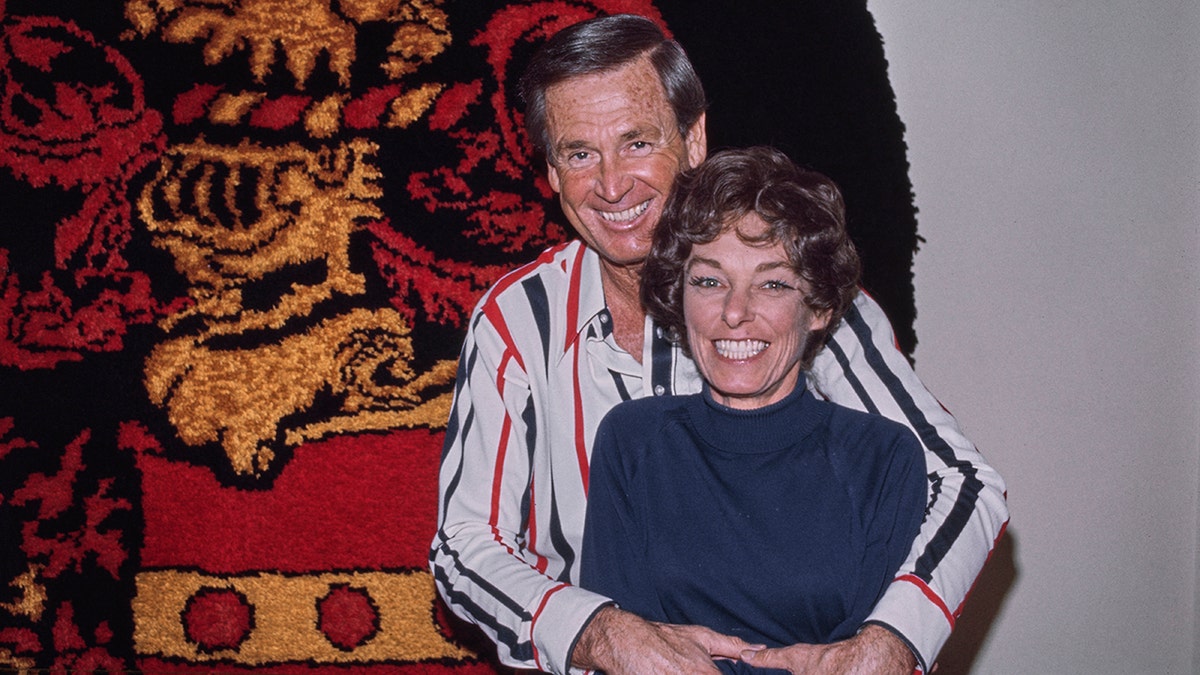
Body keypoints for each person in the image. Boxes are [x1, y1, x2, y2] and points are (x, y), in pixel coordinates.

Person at [431, 13, 1008, 675]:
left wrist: (888, 640)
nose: (612, 184)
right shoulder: (515, 319)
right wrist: (600, 632)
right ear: (552, 173)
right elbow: (464, 542)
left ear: (693, 136)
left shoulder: (799, 298)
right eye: (580, 153)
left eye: (637, 141)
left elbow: (964, 483)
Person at [579, 146, 928, 675]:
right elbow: (626, 651)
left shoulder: (883, 458)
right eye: (710, 281)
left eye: (772, 283)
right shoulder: (632, 441)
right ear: (679, 293)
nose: (735, 312)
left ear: (819, 308)